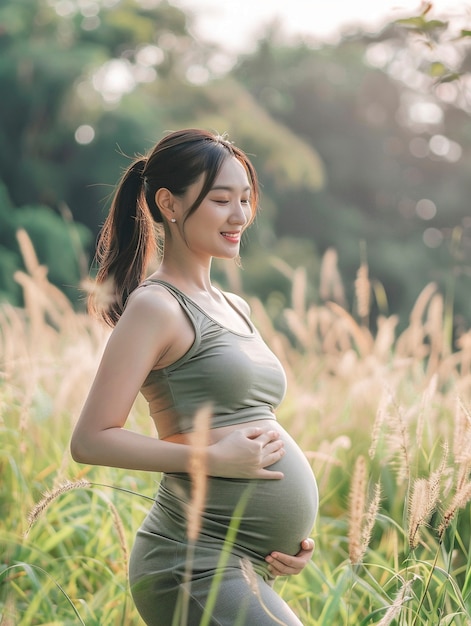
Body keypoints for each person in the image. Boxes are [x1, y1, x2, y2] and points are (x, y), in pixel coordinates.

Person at [70, 128, 318, 625]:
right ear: (169, 203)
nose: (239, 215)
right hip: (192, 564)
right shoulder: (155, 308)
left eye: (245, 199)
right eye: (221, 199)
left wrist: (289, 541)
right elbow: (91, 441)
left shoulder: (235, 306)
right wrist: (210, 459)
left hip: (247, 561)